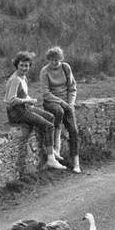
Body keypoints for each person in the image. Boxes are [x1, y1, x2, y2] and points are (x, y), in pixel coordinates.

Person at [4, 50, 64, 170]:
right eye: (21, 65)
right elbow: (10, 100)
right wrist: (27, 101)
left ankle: (50, 149)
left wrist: (29, 99)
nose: (24, 68)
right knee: (49, 126)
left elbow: (22, 95)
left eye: (26, 65)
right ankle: (51, 159)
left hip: (24, 108)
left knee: (50, 117)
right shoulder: (15, 79)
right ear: (16, 65)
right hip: (16, 113)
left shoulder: (23, 77)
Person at [39, 45, 81, 173]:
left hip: (67, 102)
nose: (54, 62)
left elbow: (72, 87)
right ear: (48, 60)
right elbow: (46, 93)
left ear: (60, 58)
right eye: (51, 60)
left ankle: (76, 163)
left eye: (56, 59)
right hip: (51, 101)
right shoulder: (44, 71)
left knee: (73, 130)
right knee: (59, 112)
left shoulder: (66, 67)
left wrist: (71, 103)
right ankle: (56, 149)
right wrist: (62, 102)